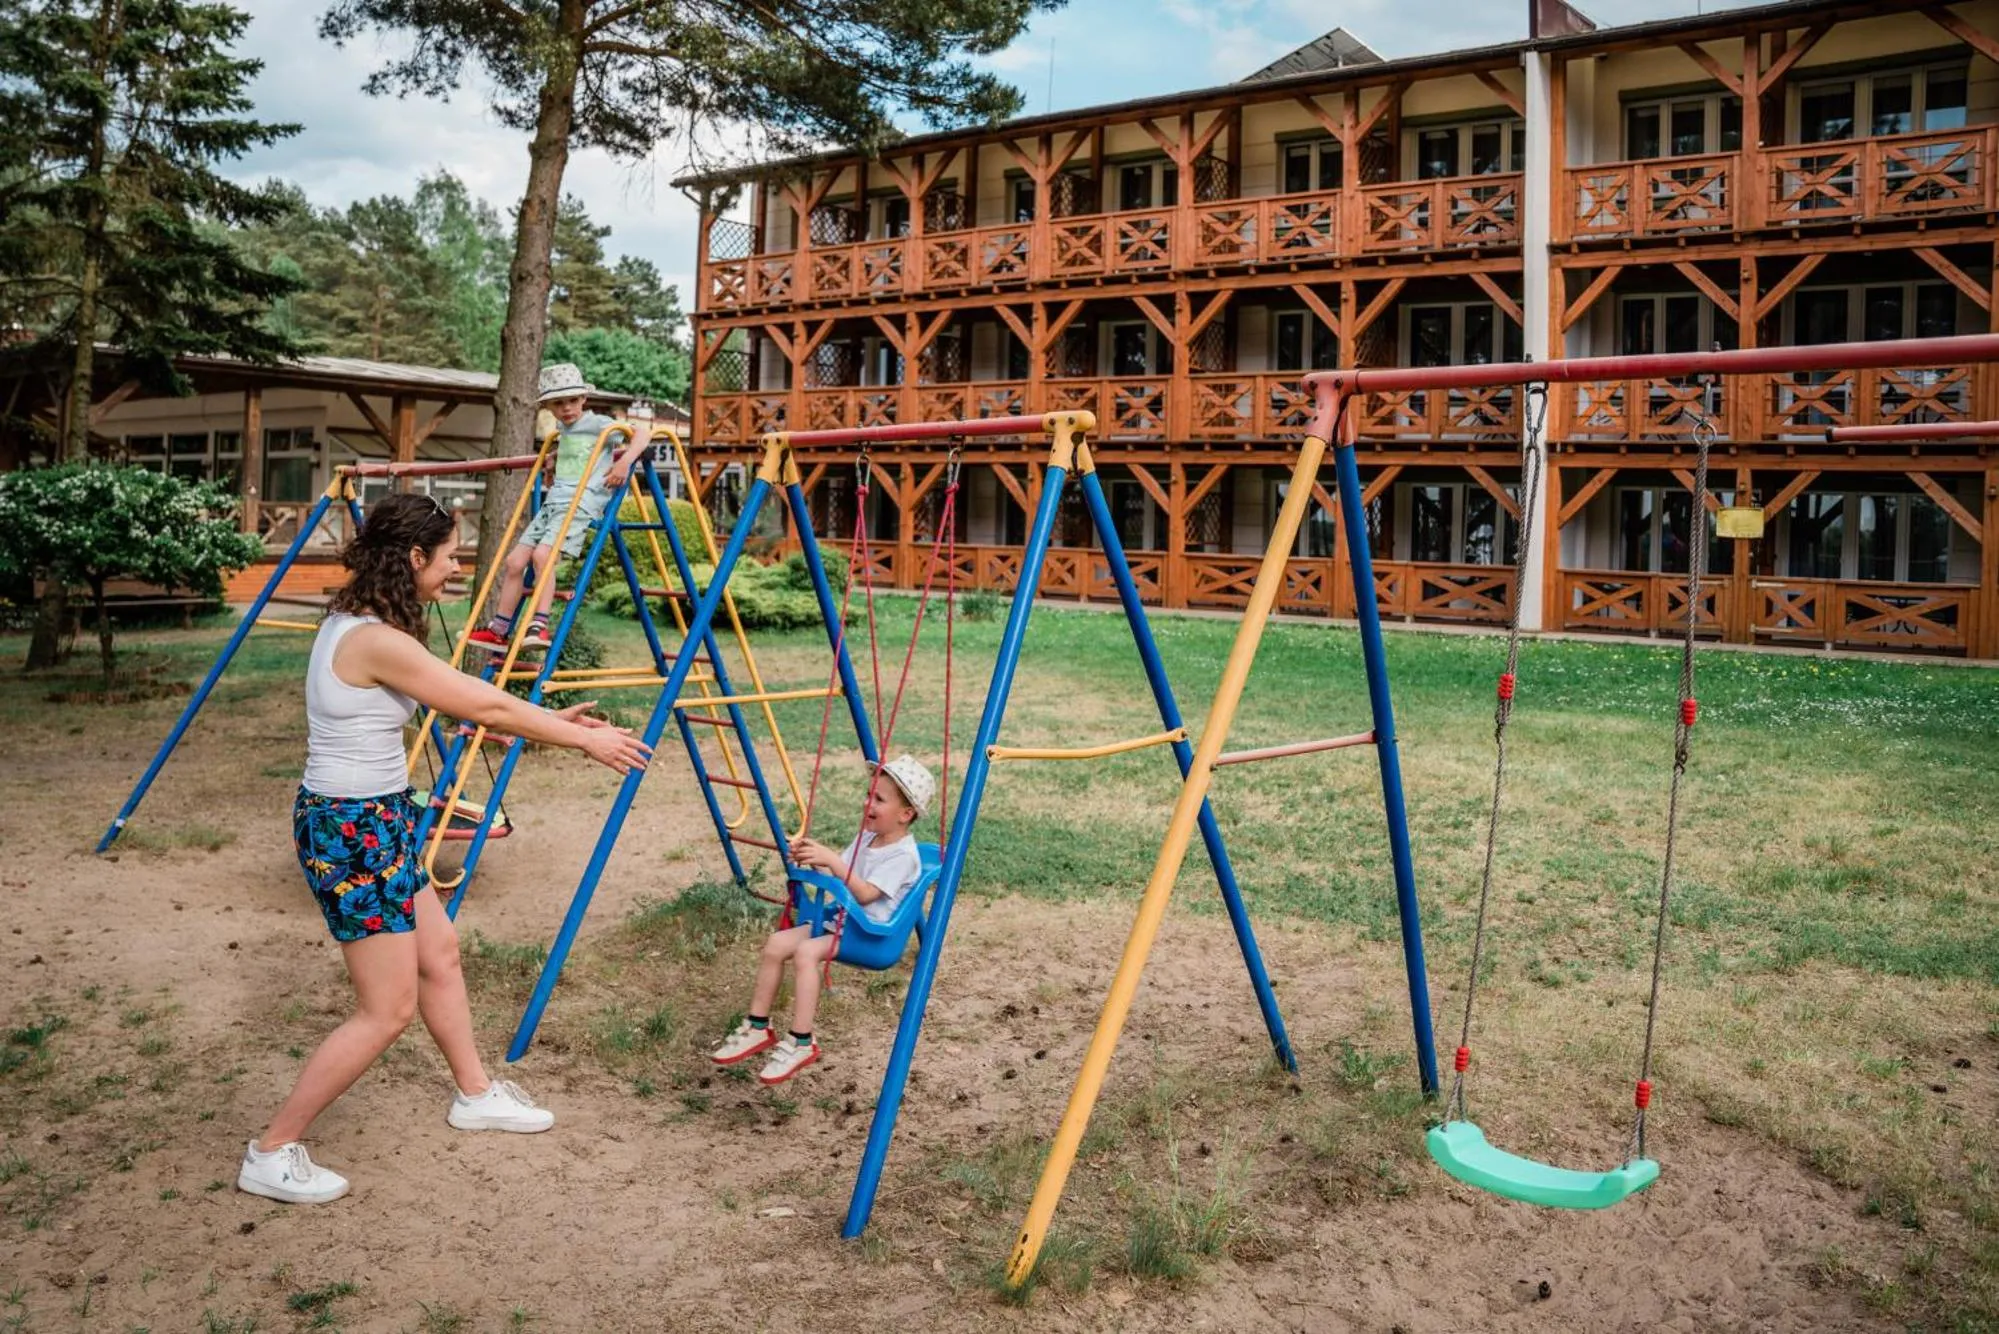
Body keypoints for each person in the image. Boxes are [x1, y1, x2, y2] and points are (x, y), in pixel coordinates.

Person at [238, 492, 653, 1205]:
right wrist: (583, 738)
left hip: (379, 818)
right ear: (413, 558)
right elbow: (482, 704)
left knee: (439, 953)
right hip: (351, 830)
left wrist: (549, 719)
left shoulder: (364, 625)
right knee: (387, 1009)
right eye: (450, 553)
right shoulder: (372, 639)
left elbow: (468, 696)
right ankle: (271, 1149)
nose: (457, 565)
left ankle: (475, 1093)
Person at [709, 755, 936, 1086]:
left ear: (906, 814)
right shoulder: (867, 838)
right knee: (777, 943)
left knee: (805, 952)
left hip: (872, 937)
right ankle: (758, 1026)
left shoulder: (903, 856)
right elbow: (834, 874)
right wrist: (812, 858)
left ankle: (802, 1040)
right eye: (868, 793)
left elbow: (865, 894)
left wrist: (832, 860)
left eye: (878, 799)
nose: (867, 802)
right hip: (845, 922)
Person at [466, 363, 653, 655]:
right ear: (549, 407)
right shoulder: (563, 431)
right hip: (555, 502)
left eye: (572, 401)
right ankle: (500, 629)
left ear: (583, 399)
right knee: (514, 563)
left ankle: (539, 625)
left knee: (543, 556)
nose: (566, 408)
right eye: (558, 403)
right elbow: (578, 452)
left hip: (580, 502)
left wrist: (624, 461)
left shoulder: (599, 424)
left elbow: (643, 434)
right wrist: (555, 458)